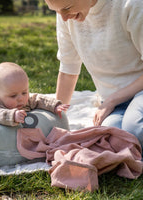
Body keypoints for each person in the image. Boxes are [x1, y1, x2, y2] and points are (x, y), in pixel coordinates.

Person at [44, 0, 143, 150]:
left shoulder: (131, 4)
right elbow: (68, 68)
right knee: (116, 140)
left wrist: (111, 101)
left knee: (134, 128)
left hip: (137, 92)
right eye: (56, 11)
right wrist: (55, 121)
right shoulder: (67, 16)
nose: (63, 17)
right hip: (114, 104)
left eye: (67, 8)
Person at [0, 62, 70, 126]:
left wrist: (55, 105)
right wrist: (13, 116)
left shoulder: (25, 100)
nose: (21, 98)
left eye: (24, 92)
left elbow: (38, 99)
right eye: (13, 96)